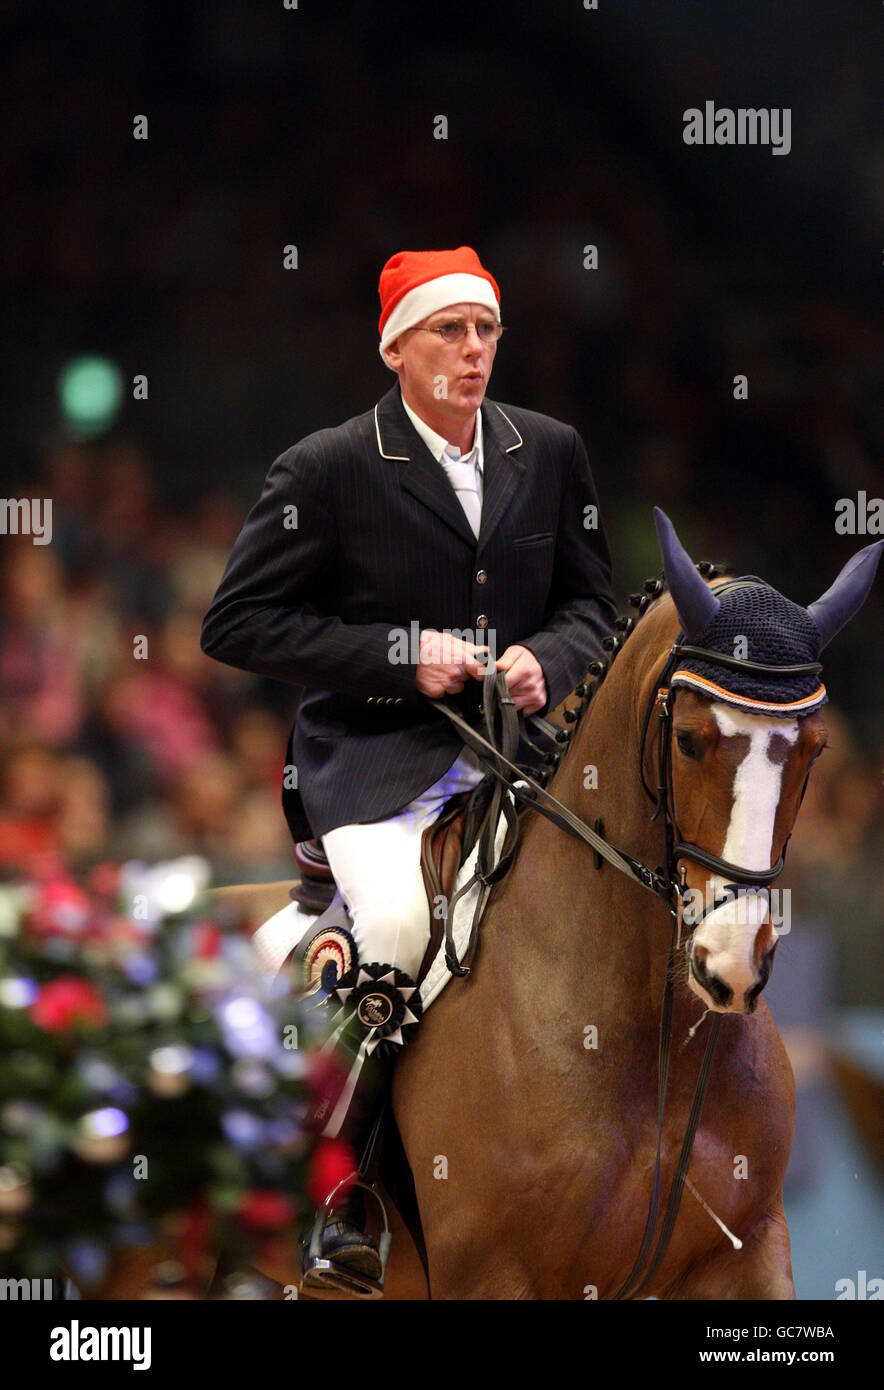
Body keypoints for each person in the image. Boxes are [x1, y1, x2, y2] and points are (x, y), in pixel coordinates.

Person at [200, 245, 617, 1291]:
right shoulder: (328, 467)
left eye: (486, 331)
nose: (473, 351)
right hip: (372, 759)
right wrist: (401, 654)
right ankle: (333, 1190)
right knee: (392, 926)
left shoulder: (549, 449)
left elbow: (593, 605)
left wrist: (548, 658)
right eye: (449, 332)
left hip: (513, 760)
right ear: (395, 348)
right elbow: (235, 622)